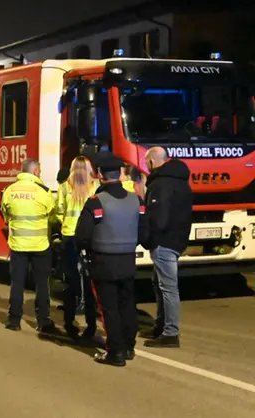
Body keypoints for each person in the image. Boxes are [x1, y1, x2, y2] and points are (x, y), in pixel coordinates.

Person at [74, 152, 149, 366]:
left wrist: (87, 249)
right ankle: (129, 346)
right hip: (127, 260)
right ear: (121, 173)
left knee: (109, 308)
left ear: (100, 175)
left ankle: (115, 352)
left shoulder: (96, 202)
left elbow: (82, 235)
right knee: (127, 304)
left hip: (103, 261)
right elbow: (144, 233)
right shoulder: (136, 200)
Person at [142, 147, 192, 348]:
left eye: (147, 163)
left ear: (152, 162)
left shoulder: (160, 184)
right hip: (178, 239)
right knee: (160, 284)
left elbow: (158, 219)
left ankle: (170, 333)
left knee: (168, 287)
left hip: (164, 242)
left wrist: (149, 239)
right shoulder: (181, 181)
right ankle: (161, 326)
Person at [0, 159, 57, 333]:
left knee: (17, 283)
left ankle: (14, 320)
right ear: (36, 171)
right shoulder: (44, 192)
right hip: (40, 246)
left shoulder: (9, 190)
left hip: (18, 246)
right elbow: (52, 217)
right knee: (42, 284)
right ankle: (43, 321)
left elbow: (6, 215)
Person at [56, 156, 99, 339]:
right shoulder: (94, 186)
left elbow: (59, 211)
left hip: (69, 236)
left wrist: (66, 223)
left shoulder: (65, 187)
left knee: (70, 281)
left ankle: (69, 322)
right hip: (90, 237)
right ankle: (91, 324)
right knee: (90, 281)